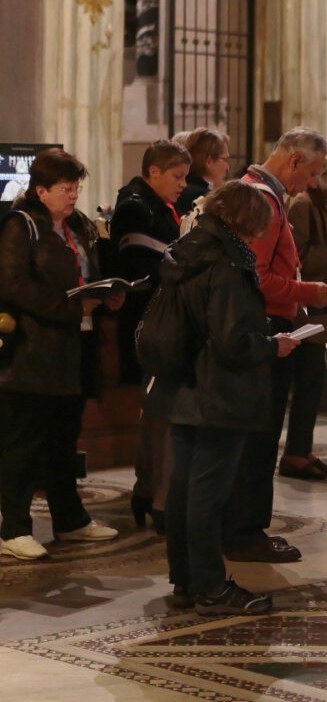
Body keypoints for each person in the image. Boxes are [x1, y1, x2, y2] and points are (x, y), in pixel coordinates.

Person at [162, 181, 300, 615]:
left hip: (183, 385)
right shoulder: (226, 263)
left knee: (185, 490)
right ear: (246, 221)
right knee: (208, 495)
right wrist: (272, 344)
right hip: (219, 393)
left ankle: (186, 580)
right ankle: (211, 587)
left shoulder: (186, 251)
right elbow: (232, 342)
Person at [223, 127, 327, 564]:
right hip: (263, 330)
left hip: (263, 328)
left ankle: (241, 527)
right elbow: (253, 277)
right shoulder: (265, 201)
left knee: (257, 435)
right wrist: (307, 292)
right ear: (293, 161)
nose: (311, 184)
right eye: (311, 173)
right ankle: (245, 532)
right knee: (258, 437)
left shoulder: (255, 192)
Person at [0, 149, 123, 560]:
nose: (73, 196)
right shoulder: (21, 227)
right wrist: (71, 307)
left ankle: (69, 521)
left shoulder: (79, 225)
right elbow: (13, 284)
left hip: (75, 348)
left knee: (63, 440)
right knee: (23, 442)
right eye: (65, 189)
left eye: (76, 188)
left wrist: (108, 293)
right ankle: (14, 527)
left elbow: (89, 271)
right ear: (41, 190)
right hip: (33, 353)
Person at [111, 139, 191, 532]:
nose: (182, 185)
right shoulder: (135, 208)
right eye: (177, 177)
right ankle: (158, 498)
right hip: (150, 322)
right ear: (154, 172)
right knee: (161, 411)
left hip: (160, 320)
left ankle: (149, 492)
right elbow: (143, 269)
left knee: (158, 411)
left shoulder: (154, 205)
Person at [278, 146, 327, 480]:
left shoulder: (326, 206)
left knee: (313, 384)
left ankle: (303, 449)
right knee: (306, 382)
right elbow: (298, 257)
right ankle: (294, 454)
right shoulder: (302, 204)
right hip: (304, 307)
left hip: (320, 306)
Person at [177, 128, 231, 215]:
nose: (227, 167)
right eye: (225, 159)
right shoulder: (203, 198)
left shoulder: (185, 186)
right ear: (209, 162)